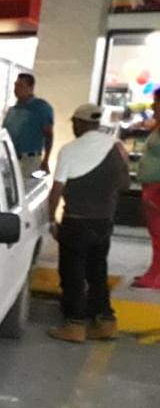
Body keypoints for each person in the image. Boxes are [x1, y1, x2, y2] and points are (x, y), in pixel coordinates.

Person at [47, 104, 131, 343]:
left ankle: (75, 325)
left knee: (73, 273)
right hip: (104, 222)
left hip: (76, 222)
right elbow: (124, 185)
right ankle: (106, 322)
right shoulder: (116, 147)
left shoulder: (69, 150)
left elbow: (57, 190)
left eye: (74, 122)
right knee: (97, 272)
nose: (73, 126)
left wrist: (51, 220)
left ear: (80, 123)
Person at [132, 87, 160, 289]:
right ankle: (154, 273)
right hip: (151, 186)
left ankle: (155, 277)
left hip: (157, 189)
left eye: (156, 102)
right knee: (155, 235)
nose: (153, 106)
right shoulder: (157, 126)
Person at [2, 73, 54, 177]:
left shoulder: (41, 108)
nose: (16, 89)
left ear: (31, 88)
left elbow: (49, 135)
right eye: (16, 85)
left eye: (21, 86)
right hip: (11, 159)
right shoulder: (12, 111)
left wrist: (46, 160)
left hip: (29, 160)